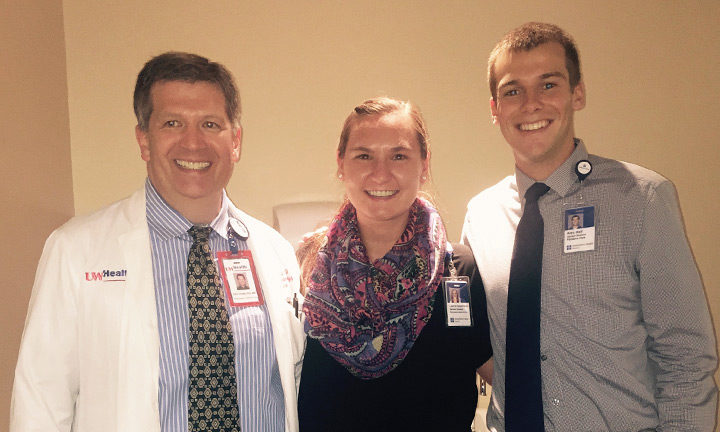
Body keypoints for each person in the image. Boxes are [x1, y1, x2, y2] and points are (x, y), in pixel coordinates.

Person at [11, 52, 305, 432]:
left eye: (211, 124)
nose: (194, 143)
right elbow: (40, 403)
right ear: (144, 140)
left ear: (236, 141)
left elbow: (290, 386)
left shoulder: (275, 251)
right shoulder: (75, 250)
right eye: (172, 123)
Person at [462, 22, 718, 431]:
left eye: (548, 85)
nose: (531, 104)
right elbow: (484, 343)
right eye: (513, 90)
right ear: (495, 109)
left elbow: (685, 358)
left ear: (577, 93)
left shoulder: (642, 199)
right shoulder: (481, 215)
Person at [298, 97, 493, 432]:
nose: (381, 172)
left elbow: (507, 380)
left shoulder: (460, 273)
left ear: (424, 165)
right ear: (341, 163)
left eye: (399, 155)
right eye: (364, 155)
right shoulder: (306, 266)